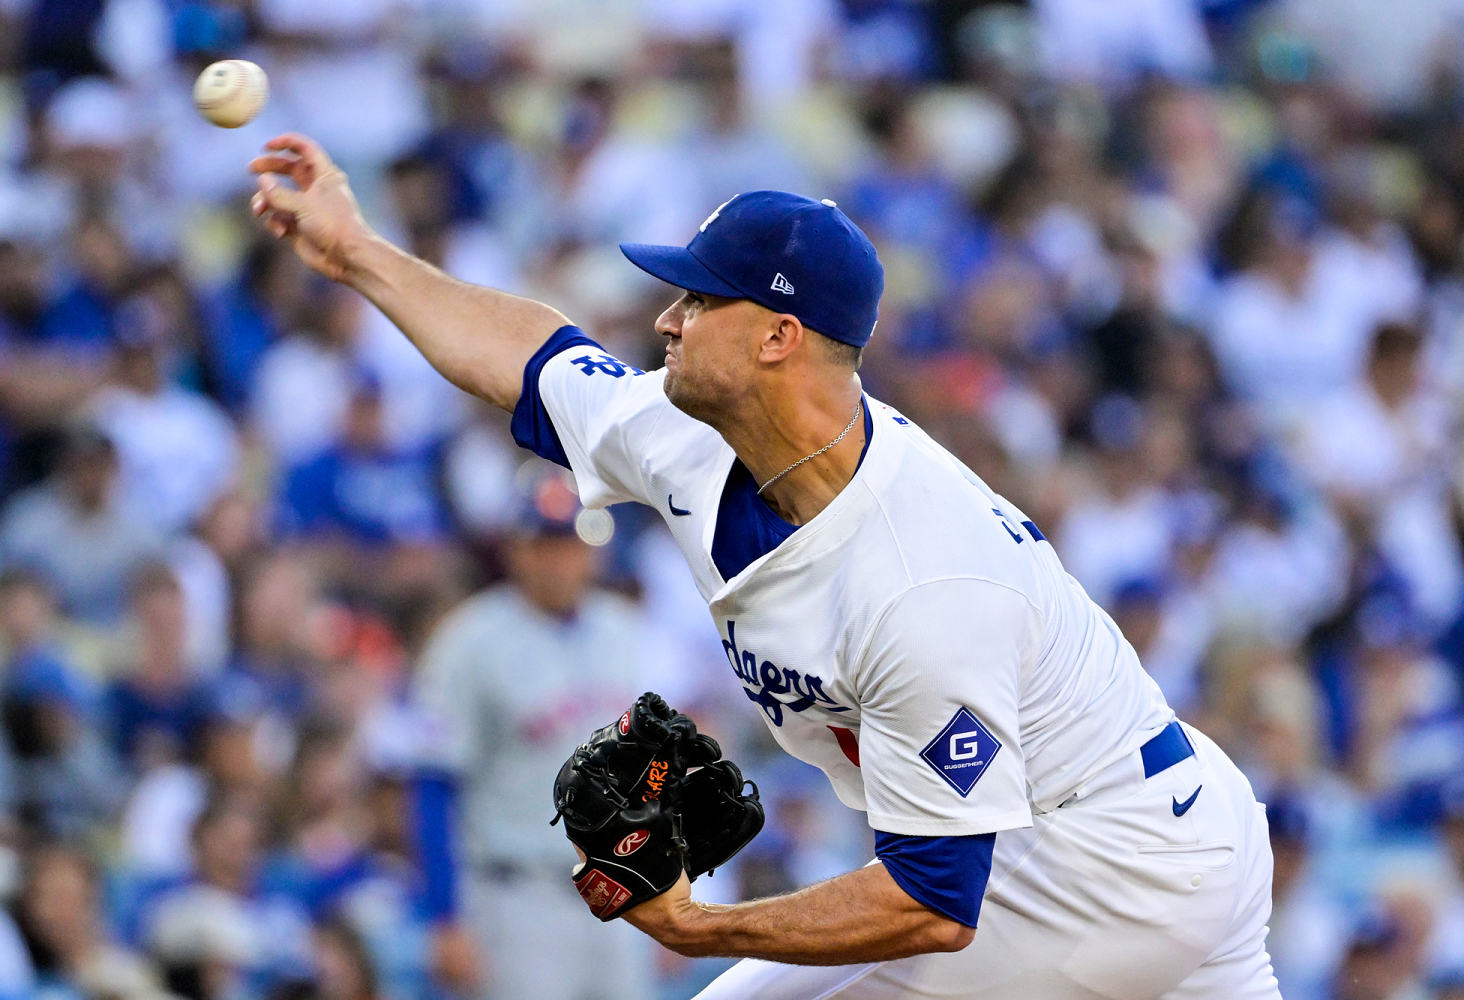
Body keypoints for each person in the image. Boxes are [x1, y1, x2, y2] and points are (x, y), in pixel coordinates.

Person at [249, 132, 1281, 999]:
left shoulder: (922, 581)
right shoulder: (692, 428)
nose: (666, 318)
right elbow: (537, 356)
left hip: (1107, 861)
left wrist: (701, 926)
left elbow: (932, 902)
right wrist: (359, 256)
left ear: (780, 337)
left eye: (698, 300)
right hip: (1150, 818)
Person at [410, 470, 657, 1000]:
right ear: (515, 550)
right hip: (521, 898)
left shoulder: (625, 631)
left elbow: (656, 776)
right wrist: (445, 917)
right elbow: (434, 785)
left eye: (572, 544)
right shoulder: (468, 641)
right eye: (545, 543)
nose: (560, 559)